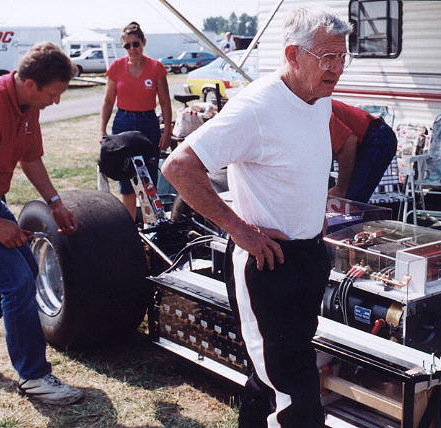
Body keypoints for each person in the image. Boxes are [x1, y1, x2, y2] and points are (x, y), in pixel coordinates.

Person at [163, 8, 351, 428]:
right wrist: (240, 230)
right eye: (327, 57)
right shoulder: (256, 108)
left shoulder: (318, 98)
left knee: (272, 376)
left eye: (342, 57)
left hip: (307, 256)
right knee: (293, 391)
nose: (337, 68)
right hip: (267, 263)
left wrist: (315, 214)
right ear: (293, 54)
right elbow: (179, 167)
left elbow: (305, 161)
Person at [0, 42, 83, 405]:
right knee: (17, 281)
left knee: (25, 269)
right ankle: (34, 376)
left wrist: (55, 203)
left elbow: (31, 157)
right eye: (53, 94)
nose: (55, 102)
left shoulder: (27, 105)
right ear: (30, 83)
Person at [101, 21, 172, 220]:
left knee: (148, 180)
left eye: (136, 44)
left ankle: (152, 227)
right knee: (126, 181)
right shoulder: (116, 68)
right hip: (123, 122)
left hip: (148, 123)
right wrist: (102, 131)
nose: (132, 49)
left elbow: (165, 102)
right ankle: (131, 229)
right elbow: (108, 101)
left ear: (143, 42)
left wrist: (166, 131)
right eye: (127, 46)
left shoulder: (156, 67)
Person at [328, 100, 398, 203]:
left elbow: (348, 144)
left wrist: (340, 189)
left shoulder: (315, 110)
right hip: (368, 135)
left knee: (348, 202)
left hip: (374, 137)